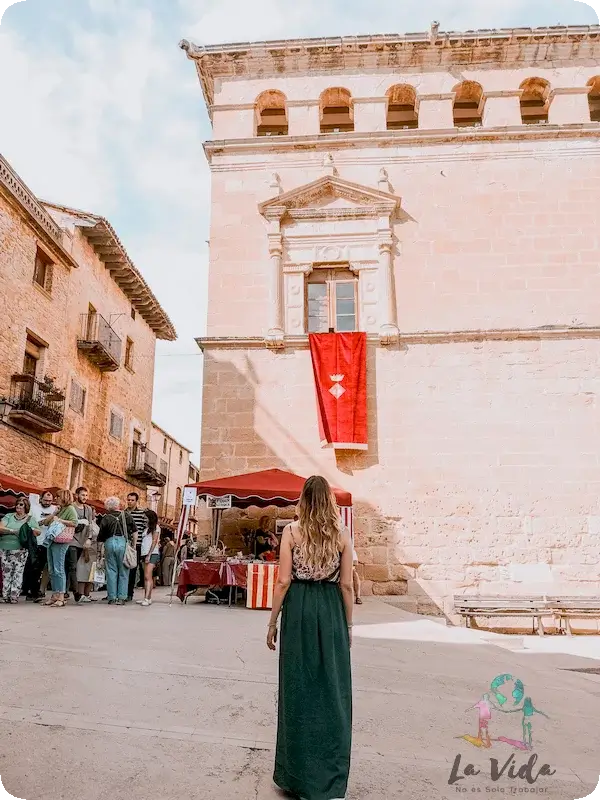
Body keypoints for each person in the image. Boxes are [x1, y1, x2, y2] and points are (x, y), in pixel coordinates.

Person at [267, 475, 353, 800]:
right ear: (329, 500)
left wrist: (272, 622)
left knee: (297, 688)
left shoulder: (291, 532)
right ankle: (328, 780)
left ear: (303, 498)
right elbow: (346, 585)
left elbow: (283, 581)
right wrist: (348, 626)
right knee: (333, 692)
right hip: (330, 610)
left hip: (299, 610)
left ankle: (296, 777)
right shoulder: (342, 534)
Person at [0, 497, 40, 603]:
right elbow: (1, 528)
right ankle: (5, 595)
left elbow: (37, 531)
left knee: (18, 572)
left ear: (26, 506)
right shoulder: (8, 516)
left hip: (20, 549)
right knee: (6, 572)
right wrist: (13, 531)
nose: (18, 506)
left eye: (21, 504)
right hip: (5, 547)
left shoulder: (30, 519)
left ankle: (14, 595)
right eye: (17, 504)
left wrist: (27, 531)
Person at [97, 496, 136, 605]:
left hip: (109, 543)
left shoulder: (106, 518)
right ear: (118, 505)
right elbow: (134, 531)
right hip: (123, 543)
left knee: (111, 571)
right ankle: (122, 597)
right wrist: (133, 545)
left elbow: (101, 537)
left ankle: (112, 597)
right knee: (124, 570)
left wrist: (100, 552)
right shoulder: (127, 515)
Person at [44, 489, 78, 608]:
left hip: (62, 541)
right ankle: (54, 594)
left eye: (57, 496)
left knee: (59, 568)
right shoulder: (58, 509)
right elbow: (46, 522)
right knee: (52, 568)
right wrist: (54, 514)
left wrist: (60, 520)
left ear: (63, 497)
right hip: (52, 540)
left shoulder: (70, 509)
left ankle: (61, 596)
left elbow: (75, 523)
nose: (55, 499)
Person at [23, 490, 56, 601]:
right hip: (36, 541)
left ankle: (39, 590)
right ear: (41, 499)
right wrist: (51, 517)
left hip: (48, 541)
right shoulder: (34, 508)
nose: (47, 503)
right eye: (45, 500)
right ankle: (31, 591)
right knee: (34, 567)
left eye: (50, 501)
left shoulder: (54, 509)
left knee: (44, 567)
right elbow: (37, 523)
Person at [69, 486, 95, 602]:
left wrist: (89, 538)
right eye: (82, 495)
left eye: (86, 495)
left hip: (83, 542)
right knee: (72, 566)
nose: (84, 497)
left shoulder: (88, 509)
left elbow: (90, 525)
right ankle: (76, 593)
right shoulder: (71, 507)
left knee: (76, 567)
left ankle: (74, 591)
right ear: (76, 495)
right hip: (71, 540)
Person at [126, 492, 147, 601]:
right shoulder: (123, 513)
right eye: (128, 500)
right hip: (124, 544)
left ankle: (130, 593)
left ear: (136, 501)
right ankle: (121, 591)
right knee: (123, 568)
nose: (130, 502)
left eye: (132, 500)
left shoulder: (141, 514)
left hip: (136, 545)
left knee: (133, 569)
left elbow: (145, 529)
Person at [137, 509, 160, 607]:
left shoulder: (156, 527)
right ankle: (147, 597)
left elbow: (154, 541)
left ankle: (147, 598)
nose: (144, 519)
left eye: (146, 517)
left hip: (151, 553)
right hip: (144, 552)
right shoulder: (146, 529)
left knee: (148, 576)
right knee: (145, 576)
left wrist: (149, 554)